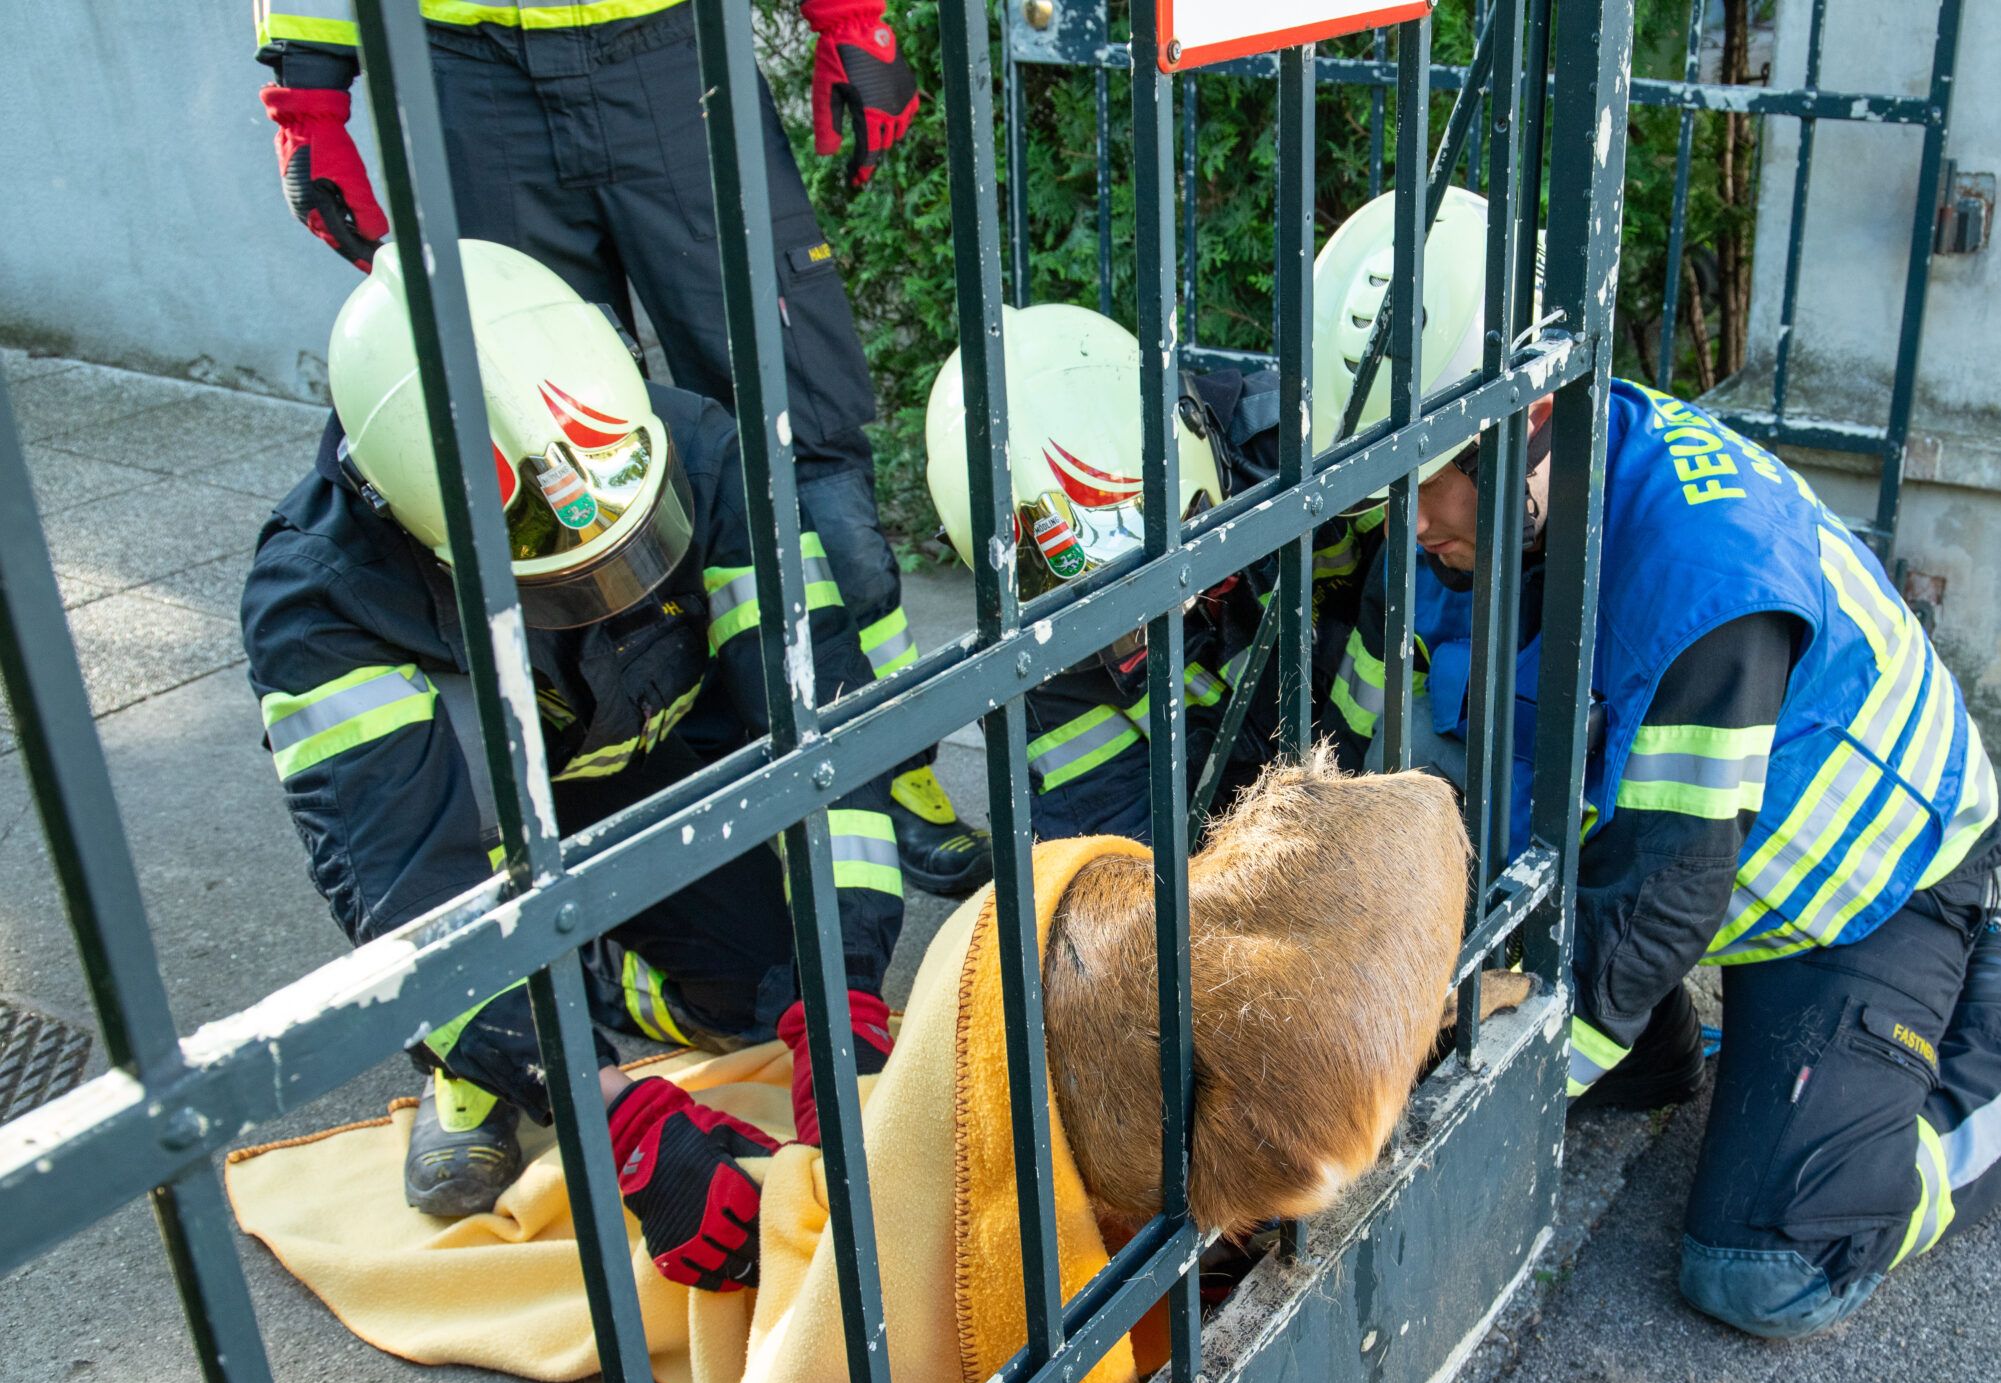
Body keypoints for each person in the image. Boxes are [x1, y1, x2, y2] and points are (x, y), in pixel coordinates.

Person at [1310, 189, 2001, 1340]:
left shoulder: (1704, 575)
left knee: (1764, 1268)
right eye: (1387, 474)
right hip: (1686, 878)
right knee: (1570, 1055)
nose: (1409, 518)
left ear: (1533, 425)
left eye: (1432, 472)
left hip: (1872, 890)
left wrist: (1451, 1114)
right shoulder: (1455, 523)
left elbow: (1669, 893)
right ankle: (1655, 1048)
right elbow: (1355, 784)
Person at [243, 241, 905, 1283]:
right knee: (468, 981)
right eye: (559, 577)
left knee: (758, 982)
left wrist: (843, 980)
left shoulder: (696, 450)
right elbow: (411, 897)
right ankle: (483, 1064)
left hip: (646, 778)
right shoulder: (324, 604)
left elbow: (821, 725)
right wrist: (609, 1112)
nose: (607, 591)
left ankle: (594, 990)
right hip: (490, 841)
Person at [250, 0, 992, 896]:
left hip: (674, 49)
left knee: (801, 432)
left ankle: (879, 751)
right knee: (544, 465)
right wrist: (307, 91)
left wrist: (851, 17)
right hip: (463, 74)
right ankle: (652, 770)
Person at [919, 304, 1376, 840]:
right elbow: (1116, 859)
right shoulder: (1037, 672)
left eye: (1156, 573)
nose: (1146, 625)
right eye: (1099, 609)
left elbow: (1428, 618)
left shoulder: (1306, 454)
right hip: (1229, 853)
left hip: (1383, 778)